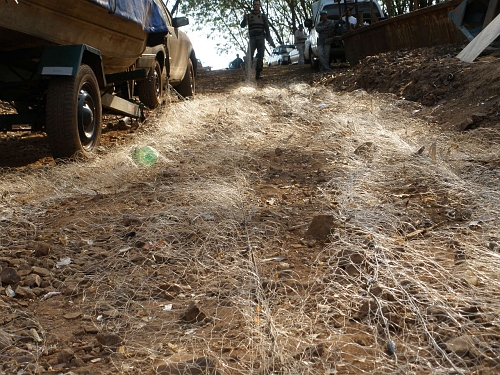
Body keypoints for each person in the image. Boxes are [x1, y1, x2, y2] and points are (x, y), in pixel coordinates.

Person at [241, 0, 276, 80]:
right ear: (253, 5)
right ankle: (246, 75)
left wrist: (269, 39)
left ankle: (258, 74)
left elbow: (267, 29)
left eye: (258, 4)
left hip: (261, 37)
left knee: (260, 56)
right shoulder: (249, 16)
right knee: (249, 56)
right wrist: (244, 19)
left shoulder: (263, 16)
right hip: (252, 38)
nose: (256, 6)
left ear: (260, 5)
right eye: (255, 4)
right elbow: (242, 25)